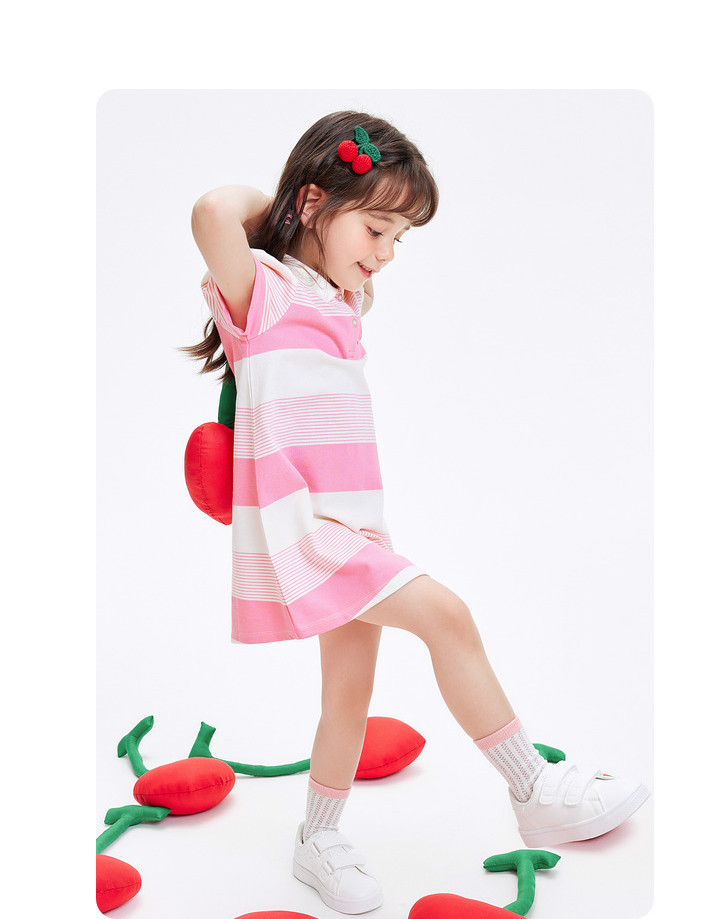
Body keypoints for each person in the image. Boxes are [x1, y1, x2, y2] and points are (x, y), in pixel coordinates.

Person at [185, 110, 649, 915]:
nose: (386, 253)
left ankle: (317, 838)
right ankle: (532, 785)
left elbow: (343, 266)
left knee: (347, 692)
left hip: (355, 525)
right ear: (313, 203)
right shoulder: (264, 294)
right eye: (376, 228)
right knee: (447, 614)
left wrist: (339, 218)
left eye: (399, 237)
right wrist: (295, 206)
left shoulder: (343, 301)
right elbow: (213, 210)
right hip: (306, 530)